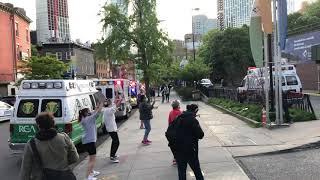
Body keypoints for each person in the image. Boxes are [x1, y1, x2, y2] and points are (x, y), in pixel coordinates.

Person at [20, 112, 79, 180]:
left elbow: (25, 169)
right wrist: (62, 165)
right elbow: (75, 158)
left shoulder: (31, 144)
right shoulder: (64, 138)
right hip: (64, 176)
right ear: (53, 123)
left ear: (38, 126)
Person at [174, 104, 204, 180]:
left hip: (178, 148)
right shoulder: (193, 120)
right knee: (196, 169)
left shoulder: (179, 117)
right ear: (195, 111)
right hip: (190, 149)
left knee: (181, 170)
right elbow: (200, 135)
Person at [79, 104, 103, 180]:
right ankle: (88, 176)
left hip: (86, 141)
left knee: (91, 158)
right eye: (88, 111)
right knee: (92, 159)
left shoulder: (83, 118)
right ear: (86, 113)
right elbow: (98, 113)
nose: (90, 112)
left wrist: (96, 108)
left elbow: (94, 112)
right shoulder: (89, 119)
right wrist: (101, 104)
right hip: (90, 141)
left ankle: (91, 172)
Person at [103, 99, 120, 163]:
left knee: (114, 141)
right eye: (110, 102)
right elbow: (114, 107)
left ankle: (113, 154)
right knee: (117, 142)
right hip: (111, 129)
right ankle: (112, 156)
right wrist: (119, 100)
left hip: (111, 128)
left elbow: (113, 107)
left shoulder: (106, 109)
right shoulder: (108, 110)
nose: (111, 103)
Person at [168, 99, 182, 165]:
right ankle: (179, 158)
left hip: (172, 132)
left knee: (175, 146)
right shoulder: (180, 112)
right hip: (179, 132)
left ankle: (175, 158)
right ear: (178, 106)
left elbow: (169, 122)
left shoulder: (171, 112)